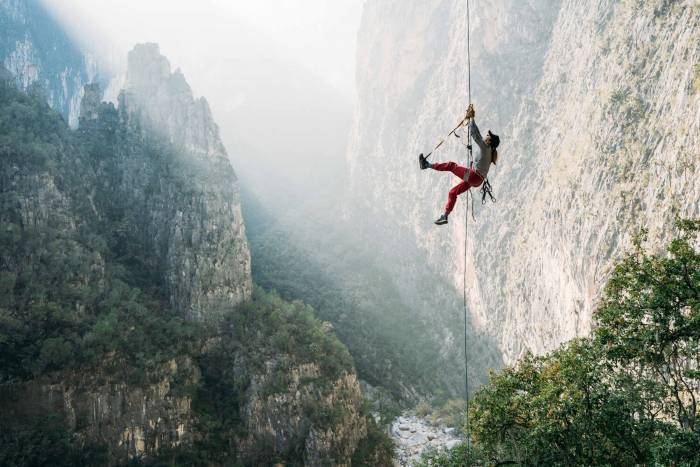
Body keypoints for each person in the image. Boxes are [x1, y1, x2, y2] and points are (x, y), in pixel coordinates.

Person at [419, 104, 500, 225]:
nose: (486, 136)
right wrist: (471, 118)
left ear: (489, 141)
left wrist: (471, 118)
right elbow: (477, 139)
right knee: (452, 192)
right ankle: (445, 216)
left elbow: (475, 134)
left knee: (452, 166)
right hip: (478, 180)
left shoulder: (485, 147)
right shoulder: (489, 152)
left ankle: (426, 165)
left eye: (488, 136)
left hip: (473, 176)